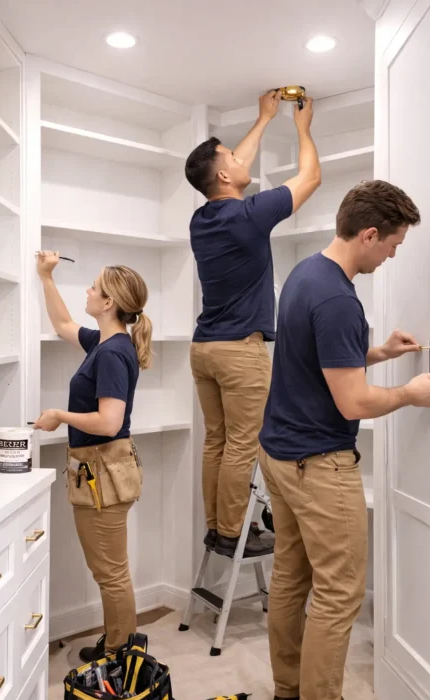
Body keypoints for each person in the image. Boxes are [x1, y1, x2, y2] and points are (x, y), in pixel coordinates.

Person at [259, 180, 430, 700]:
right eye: (391, 245)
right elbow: (354, 405)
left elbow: (324, 356)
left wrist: (379, 353)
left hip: (279, 454)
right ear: (369, 234)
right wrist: (409, 394)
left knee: (291, 577)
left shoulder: (306, 276)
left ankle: (290, 694)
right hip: (318, 463)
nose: (391, 256)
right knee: (338, 594)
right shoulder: (338, 298)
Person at [185, 90, 321, 558]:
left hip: (204, 349)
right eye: (231, 159)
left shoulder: (202, 218)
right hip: (240, 352)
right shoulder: (249, 214)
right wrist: (301, 128)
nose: (241, 160)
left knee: (217, 442)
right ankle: (229, 531)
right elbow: (311, 178)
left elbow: (232, 163)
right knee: (243, 444)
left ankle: (214, 525)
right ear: (224, 175)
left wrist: (264, 119)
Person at [34, 251, 152, 663]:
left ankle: (121, 654)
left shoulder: (113, 354)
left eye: (94, 287)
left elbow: (109, 420)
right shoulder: (104, 343)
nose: (87, 290)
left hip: (103, 471)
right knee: (108, 569)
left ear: (109, 303)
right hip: (98, 471)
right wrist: (46, 277)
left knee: (110, 572)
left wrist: (58, 415)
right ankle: (118, 643)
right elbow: (64, 324)